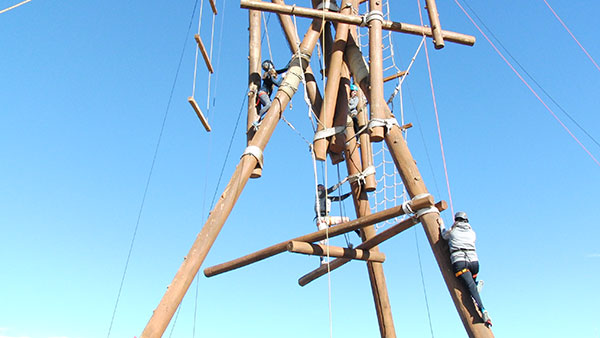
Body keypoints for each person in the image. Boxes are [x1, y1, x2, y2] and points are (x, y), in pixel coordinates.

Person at [440, 211, 492, 327]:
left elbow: (444, 235)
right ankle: (475, 285)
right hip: (474, 262)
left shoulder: (453, 232)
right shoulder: (472, 233)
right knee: (471, 284)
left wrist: (442, 224)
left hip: (460, 262)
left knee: (470, 287)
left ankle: (483, 309)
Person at [314, 183, 353, 265]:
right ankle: (322, 261)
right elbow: (331, 189)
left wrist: (350, 193)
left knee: (347, 220)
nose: (322, 188)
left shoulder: (328, 197)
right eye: (320, 188)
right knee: (323, 240)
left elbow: (340, 198)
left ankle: (358, 233)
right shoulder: (320, 195)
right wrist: (342, 182)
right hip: (321, 219)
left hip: (328, 218)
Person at [254, 60, 288, 128]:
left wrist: (292, 61)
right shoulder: (268, 75)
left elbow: (284, 69)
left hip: (264, 94)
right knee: (269, 104)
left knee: (271, 108)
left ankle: (261, 122)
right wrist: (282, 77)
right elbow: (278, 84)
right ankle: (258, 118)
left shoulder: (270, 74)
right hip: (263, 93)